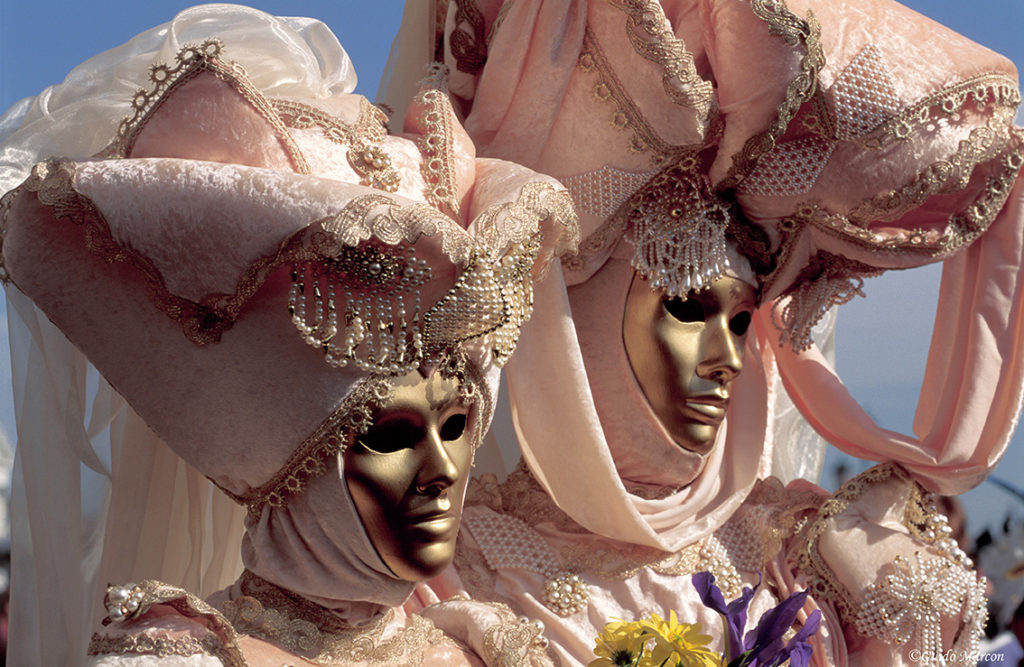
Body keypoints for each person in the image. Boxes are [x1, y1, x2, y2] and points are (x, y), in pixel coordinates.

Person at [384, 0, 1024, 664]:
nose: (726, 360)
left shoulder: (799, 560)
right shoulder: (446, 570)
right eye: (688, 308)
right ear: (576, 333)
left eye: (743, 323)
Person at [0, 5, 577, 664]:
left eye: (455, 426)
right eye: (390, 434)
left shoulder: (478, 645)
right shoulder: (185, 655)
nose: (443, 472)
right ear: (281, 456)